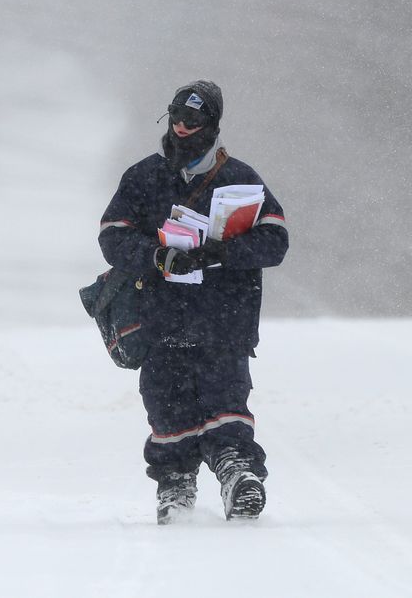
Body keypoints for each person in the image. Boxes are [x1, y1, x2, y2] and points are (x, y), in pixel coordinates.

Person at [98, 80, 289, 523]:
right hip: (160, 317)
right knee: (166, 404)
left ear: (213, 125)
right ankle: (176, 487)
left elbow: (276, 241)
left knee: (226, 399)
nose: (182, 128)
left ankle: (238, 475)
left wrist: (222, 251)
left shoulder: (240, 178)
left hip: (225, 318)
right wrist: (155, 254)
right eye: (176, 117)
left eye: (193, 120)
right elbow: (111, 236)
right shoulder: (142, 176)